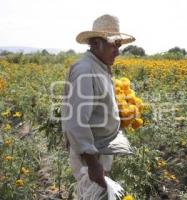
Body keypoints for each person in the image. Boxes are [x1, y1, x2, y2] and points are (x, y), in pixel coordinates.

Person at [61, 14, 135, 197]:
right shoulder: (85, 70)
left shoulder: (99, 66)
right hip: (91, 155)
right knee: (94, 195)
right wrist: (93, 164)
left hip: (98, 150)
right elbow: (76, 121)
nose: (118, 52)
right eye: (114, 45)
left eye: (119, 45)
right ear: (95, 43)